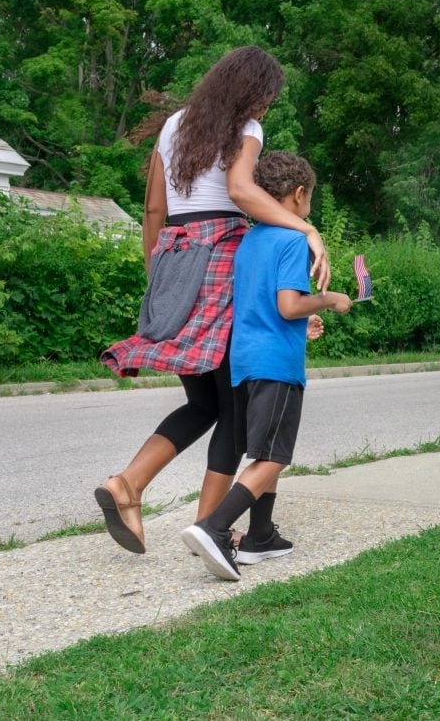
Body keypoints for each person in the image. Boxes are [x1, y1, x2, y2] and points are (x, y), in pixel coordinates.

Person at [94, 47, 331, 555]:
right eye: (267, 98)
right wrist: (307, 227)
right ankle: (209, 527)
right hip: (221, 258)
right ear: (253, 92)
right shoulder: (245, 125)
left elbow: (155, 207)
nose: (266, 108)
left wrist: (157, 274)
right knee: (233, 408)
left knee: (201, 401)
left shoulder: (176, 124)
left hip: (172, 256)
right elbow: (241, 190)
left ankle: (130, 485)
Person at [183, 151, 352, 580]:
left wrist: (303, 319)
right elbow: (288, 303)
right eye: (310, 196)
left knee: (262, 449)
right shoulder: (294, 239)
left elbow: (270, 306)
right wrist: (330, 300)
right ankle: (215, 528)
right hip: (277, 364)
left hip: (244, 361)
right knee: (274, 458)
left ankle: (261, 536)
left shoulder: (252, 238)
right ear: (298, 195)